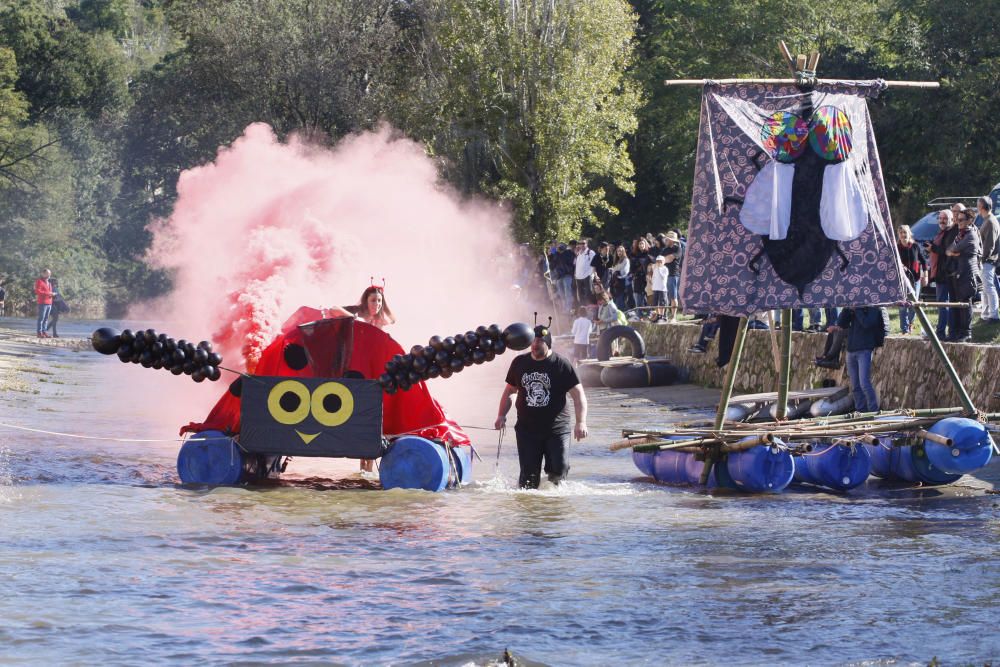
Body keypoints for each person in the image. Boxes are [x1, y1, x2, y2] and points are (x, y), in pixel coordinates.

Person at [495, 324, 588, 489]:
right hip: (527, 430)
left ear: (548, 343)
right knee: (528, 479)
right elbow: (510, 390)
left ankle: (553, 506)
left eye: (539, 342)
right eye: (532, 341)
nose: (535, 345)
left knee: (560, 470)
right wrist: (501, 415)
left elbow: (578, 395)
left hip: (557, 429)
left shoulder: (561, 365)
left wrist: (581, 422)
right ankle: (532, 512)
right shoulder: (519, 362)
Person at [830, 306, 886, 413]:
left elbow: (867, 324)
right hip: (851, 349)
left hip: (865, 349)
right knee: (855, 385)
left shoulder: (873, 308)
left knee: (864, 383)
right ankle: (861, 410)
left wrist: (857, 310)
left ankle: (873, 410)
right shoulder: (852, 308)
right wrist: (847, 309)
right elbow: (841, 323)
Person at [946, 208, 982, 342]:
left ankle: (966, 333)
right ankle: (957, 333)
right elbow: (948, 250)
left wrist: (955, 251)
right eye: (957, 219)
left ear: (970, 221)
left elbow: (954, 249)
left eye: (961, 220)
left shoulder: (971, 235)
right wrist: (954, 252)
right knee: (957, 303)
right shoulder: (960, 234)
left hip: (968, 274)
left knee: (965, 304)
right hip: (959, 273)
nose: (958, 222)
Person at [928, 209, 959, 339]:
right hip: (940, 272)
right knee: (943, 303)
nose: (941, 220)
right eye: (940, 218)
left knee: (943, 304)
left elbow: (947, 251)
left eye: (945, 218)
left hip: (945, 273)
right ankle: (943, 332)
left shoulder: (951, 233)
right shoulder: (942, 232)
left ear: (951, 219)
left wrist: (933, 248)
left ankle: (941, 333)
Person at [896, 225, 927, 334]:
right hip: (902, 280)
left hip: (916, 279)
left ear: (909, 233)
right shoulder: (896, 248)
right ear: (898, 235)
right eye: (901, 233)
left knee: (914, 303)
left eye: (905, 232)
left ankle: (910, 325)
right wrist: (900, 266)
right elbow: (893, 262)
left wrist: (926, 275)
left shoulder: (915, 246)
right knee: (902, 304)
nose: (903, 235)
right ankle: (904, 329)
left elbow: (923, 261)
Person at [977, 196, 1000, 322]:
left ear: (982, 207)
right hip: (986, 260)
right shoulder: (988, 220)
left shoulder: (990, 222)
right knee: (985, 289)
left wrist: (981, 259)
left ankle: (994, 315)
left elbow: (989, 245)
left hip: (988, 260)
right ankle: (986, 314)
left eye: (978, 205)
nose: (977, 208)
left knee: (989, 288)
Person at [662, 231, 684, 322]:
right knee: (664, 296)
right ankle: (664, 315)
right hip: (664, 275)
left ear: (671, 240)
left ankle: (673, 316)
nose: (666, 240)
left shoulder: (678, 249)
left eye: (668, 239)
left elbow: (669, 259)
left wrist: (663, 260)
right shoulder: (665, 250)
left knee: (673, 297)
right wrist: (663, 260)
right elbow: (661, 260)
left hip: (673, 275)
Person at [573, 239, 596, 307]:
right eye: (580, 243)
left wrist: (590, 274)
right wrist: (575, 274)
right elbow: (575, 264)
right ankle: (583, 310)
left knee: (589, 294)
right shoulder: (578, 253)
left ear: (587, 244)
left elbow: (594, 264)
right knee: (580, 295)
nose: (581, 245)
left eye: (583, 243)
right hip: (578, 277)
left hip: (587, 276)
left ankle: (590, 309)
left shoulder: (591, 252)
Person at [609, 245, 631, 311]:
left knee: (620, 299)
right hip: (615, 281)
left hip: (622, 281)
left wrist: (617, 273)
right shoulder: (617, 260)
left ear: (623, 251)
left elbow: (625, 272)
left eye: (621, 251)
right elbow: (614, 269)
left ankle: (622, 313)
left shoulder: (626, 260)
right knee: (616, 299)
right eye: (618, 251)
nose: (619, 252)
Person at [34, 268, 53, 338]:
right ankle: (39, 333)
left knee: (46, 319)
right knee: (41, 319)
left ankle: (44, 332)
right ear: (43, 274)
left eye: (50, 274)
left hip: (49, 303)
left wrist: (52, 294)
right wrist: (48, 293)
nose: (49, 275)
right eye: (47, 273)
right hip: (42, 303)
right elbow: (37, 291)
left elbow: (49, 293)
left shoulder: (49, 283)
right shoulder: (39, 281)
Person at [650, 256, 669, 321]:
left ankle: (662, 315)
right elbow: (653, 278)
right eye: (657, 261)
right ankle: (658, 315)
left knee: (662, 303)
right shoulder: (655, 269)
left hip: (662, 288)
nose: (659, 263)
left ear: (663, 262)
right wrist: (652, 285)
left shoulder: (665, 269)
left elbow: (663, 277)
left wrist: (659, 268)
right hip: (655, 288)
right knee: (655, 303)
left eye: (660, 261)